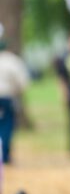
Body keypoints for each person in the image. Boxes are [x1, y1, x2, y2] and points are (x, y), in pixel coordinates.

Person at [0, 26, 30, 164]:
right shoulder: (12, 60)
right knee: (6, 126)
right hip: (6, 97)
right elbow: (23, 82)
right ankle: (5, 155)